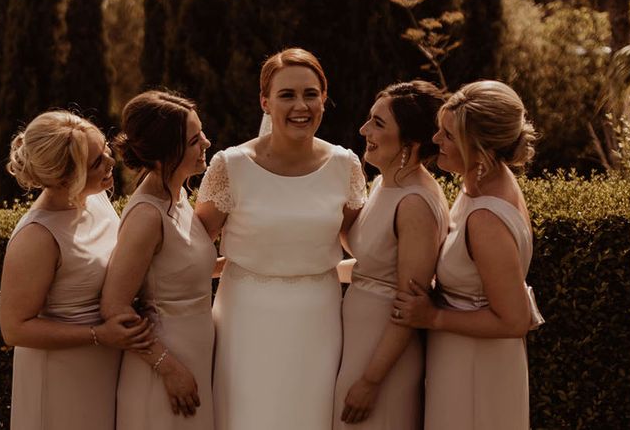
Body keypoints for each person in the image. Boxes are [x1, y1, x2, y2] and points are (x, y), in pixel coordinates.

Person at [195, 48, 367, 430]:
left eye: (310, 93)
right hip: (245, 319)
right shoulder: (230, 165)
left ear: (324, 98)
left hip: (318, 319)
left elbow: (363, 243)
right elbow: (194, 247)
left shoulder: (346, 165)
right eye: (287, 95)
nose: (300, 105)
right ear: (265, 102)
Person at [392, 80, 544, 430]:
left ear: (478, 146)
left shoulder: (486, 218)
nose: (435, 141)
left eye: (447, 135)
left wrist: (434, 318)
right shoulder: (478, 184)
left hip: (478, 367)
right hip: (461, 358)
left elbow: (514, 320)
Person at [0, 110, 154, 430]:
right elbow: (14, 329)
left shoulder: (94, 200)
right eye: (97, 162)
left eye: (106, 150)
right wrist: (99, 335)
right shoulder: (37, 236)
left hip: (107, 368)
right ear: (65, 177)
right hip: (61, 379)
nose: (111, 162)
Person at [333, 81, 450, 428]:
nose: (364, 130)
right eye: (370, 119)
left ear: (410, 144)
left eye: (379, 124)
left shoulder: (414, 203)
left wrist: (371, 381)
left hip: (382, 356)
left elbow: (409, 302)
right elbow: (372, 260)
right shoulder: (386, 182)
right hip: (357, 341)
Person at [101, 91, 217, 430]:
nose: (207, 143)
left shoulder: (179, 193)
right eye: (195, 140)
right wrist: (169, 368)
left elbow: (181, 267)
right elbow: (114, 307)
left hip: (195, 355)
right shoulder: (147, 215)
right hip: (164, 367)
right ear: (164, 154)